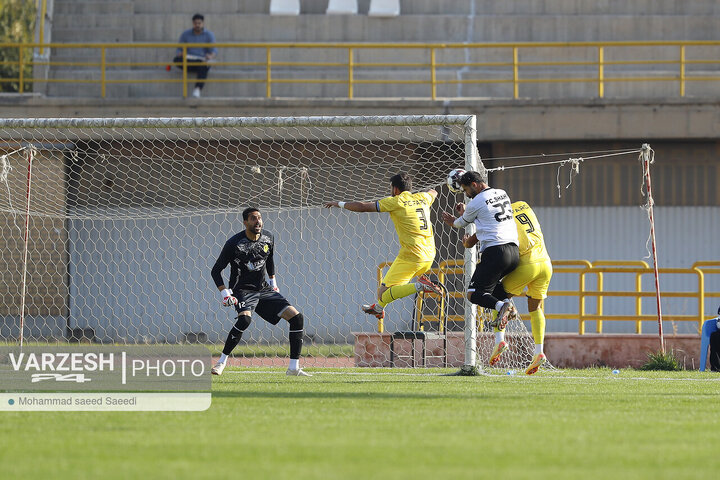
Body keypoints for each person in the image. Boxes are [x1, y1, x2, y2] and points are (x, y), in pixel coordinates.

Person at [323, 173, 443, 321]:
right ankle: (379, 308)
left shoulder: (396, 201)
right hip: (429, 255)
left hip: (412, 255)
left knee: (384, 293)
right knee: (386, 292)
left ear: (395, 189)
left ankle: (421, 286)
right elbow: (434, 192)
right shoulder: (423, 198)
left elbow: (362, 207)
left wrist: (338, 203)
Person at [210, 207, 311, 377]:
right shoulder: (233, 243)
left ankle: (293, 368)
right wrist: (225, 294)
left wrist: (273, 282)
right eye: (253, 218)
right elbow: (215, 271)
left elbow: (269, 259)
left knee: (297, 318)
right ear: (245, 222)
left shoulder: (268, 237)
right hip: (242, 290)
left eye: (259, 218)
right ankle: (221, 362)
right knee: (245, 320)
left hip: (264, 289)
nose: (258, 222)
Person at [461, 200, 552, 375]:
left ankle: (499, 341)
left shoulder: (500, 216)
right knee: (536, 308)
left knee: (497, 293)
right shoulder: (524, 205)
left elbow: (489, 226)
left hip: (528, 264)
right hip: (546, 264)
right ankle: (539, 351)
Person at [441, 170, 519, 337]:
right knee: (492, 288)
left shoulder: (476, 202)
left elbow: (460, 223)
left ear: (474, 185)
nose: (466, 194)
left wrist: (451, 221)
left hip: (496, 251)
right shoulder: (502, 193)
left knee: (473, 293)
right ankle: (507, 305)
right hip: (513, 252)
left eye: (465, 189)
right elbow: (488, 216)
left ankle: (502, 307)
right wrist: (468, 211)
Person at [173, 13, 217, 98]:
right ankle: (195, 67)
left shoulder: (209, 35)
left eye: (199, 23)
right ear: (193, 23)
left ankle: (197, 89)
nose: (197, 25)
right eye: (195, 23)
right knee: (176, 60)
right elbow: (179, 49)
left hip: (202, 59)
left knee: (204, 65)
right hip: (189, 59)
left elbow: (214, 50)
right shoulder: (185, 34)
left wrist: (210, 56)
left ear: (203, 23)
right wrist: (180, 53)